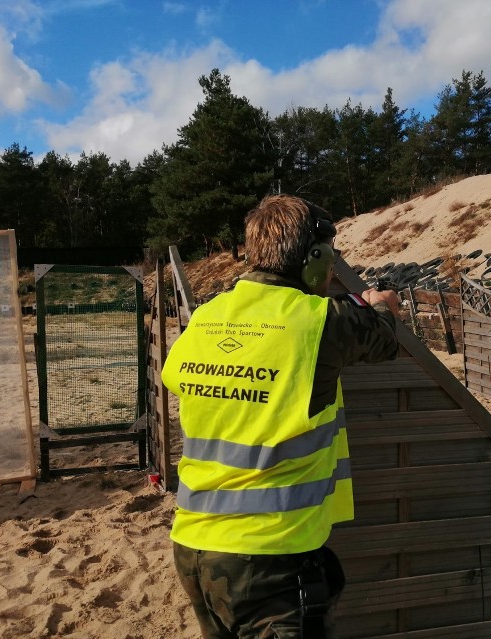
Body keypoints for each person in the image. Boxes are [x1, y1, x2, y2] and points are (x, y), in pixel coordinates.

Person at [161, 194, 400, 638]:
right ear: (314, 257)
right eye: (329, 256)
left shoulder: (206, 317)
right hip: (270, 558)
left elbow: (176, 377)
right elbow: (386, 336)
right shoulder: (320, 322)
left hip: (193, 548)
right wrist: (380, 302)